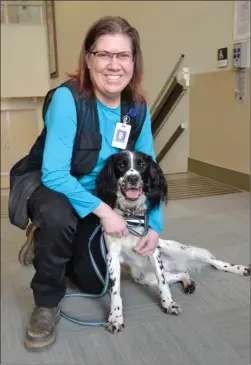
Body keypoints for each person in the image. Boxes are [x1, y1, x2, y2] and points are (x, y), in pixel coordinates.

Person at [13, 15, 164, 350]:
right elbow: (55, 174)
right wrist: (105, 213)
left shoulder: (136, 108)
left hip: (100, 191)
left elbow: (150, 171)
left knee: (92, 279)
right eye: (103, 54)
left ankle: (50, 243)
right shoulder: (68, 99)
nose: (114, 65)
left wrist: (154, 224)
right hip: (54, 184)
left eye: (122, 55)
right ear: (88, 58)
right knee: (58, 217)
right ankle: (46, 302)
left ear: (133, 61)